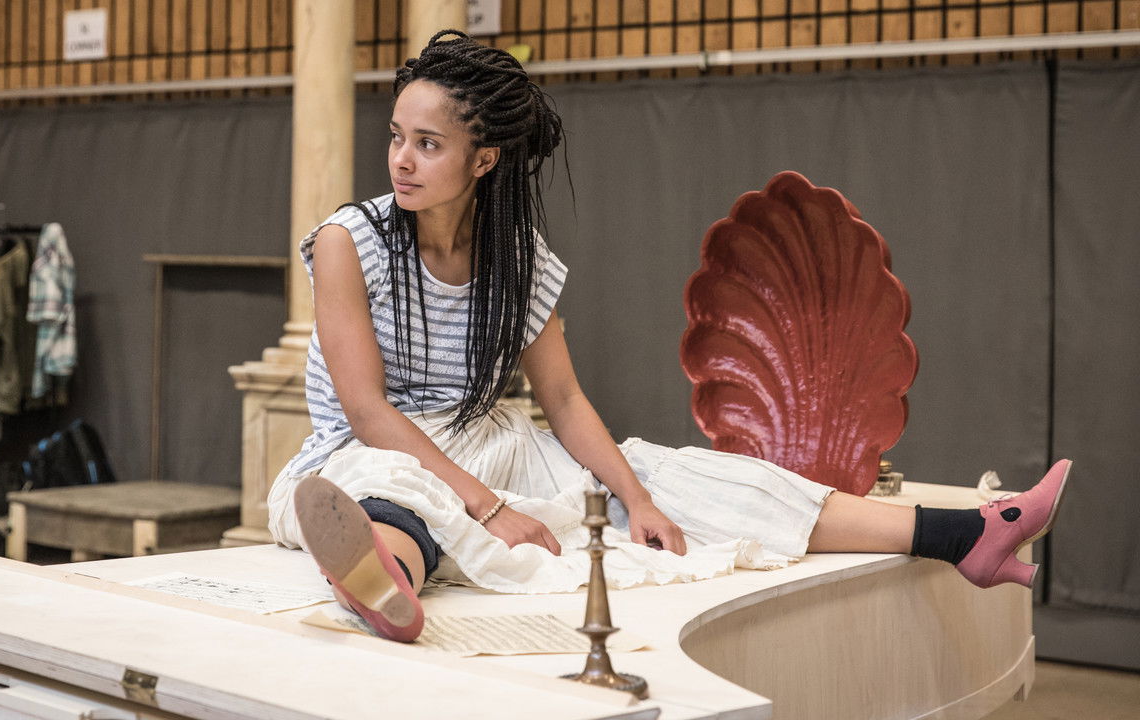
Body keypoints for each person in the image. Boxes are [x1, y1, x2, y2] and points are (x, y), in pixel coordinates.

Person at [266, 30, 1071, 643]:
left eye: (427, 143)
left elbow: (564, 400)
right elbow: (367, 411)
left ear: (484, 160)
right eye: (396, 136)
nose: (401, 160)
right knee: (398, 491)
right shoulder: (349, 241)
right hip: (368, 449)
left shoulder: (518, 258)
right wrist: (489, 510)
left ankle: (964, 532)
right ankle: (383, 579)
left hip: (490, 442)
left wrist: (640, 497)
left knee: (678, 478)